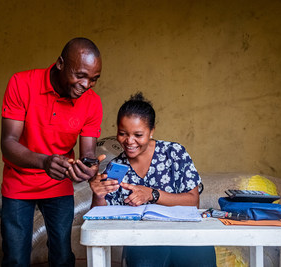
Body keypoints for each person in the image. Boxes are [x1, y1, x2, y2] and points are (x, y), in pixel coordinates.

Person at [0, 37, 104, 267]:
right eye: (80, 75)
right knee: (15, 258)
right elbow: (8, 143)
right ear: (60, 63)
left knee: (62, 256)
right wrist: (44, 162)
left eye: (93, 79)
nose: (86, 85)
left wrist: (88, 167)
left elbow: (88, 152)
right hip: (19, 182)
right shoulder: (21, 83)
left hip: (59, 184)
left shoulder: (92, 103)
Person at [89, 92, 216, 267]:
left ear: (152, 131)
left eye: (138, 135)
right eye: (122, 133)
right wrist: (98, 195)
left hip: (184, 238)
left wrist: (152, 194)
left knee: (199, 249)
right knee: (145, 252)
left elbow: (192, 202)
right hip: (142, 242)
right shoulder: (117, 166)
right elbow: (100, 219)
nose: (129, 141)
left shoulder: (174, 153)